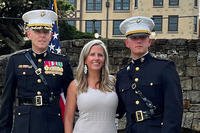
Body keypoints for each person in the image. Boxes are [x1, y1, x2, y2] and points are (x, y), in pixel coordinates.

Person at [0, 9, 74, 133]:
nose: (42, 35)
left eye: (46, 31)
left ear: (51, 35)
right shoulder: (15, 61)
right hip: (25, 124)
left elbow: (71, 98)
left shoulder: (62, 62)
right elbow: (7, 100)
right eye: (37, 31)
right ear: (29, 34)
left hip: (53, 123)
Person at [116, 16, 183, 133]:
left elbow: (174, 110)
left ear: (149, 41)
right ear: (127, 43)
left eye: (142, 37)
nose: (138, 41)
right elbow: (117, 110)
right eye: (133, 37)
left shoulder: (164, 68)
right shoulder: (122, 75)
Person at [64, 39, 118, 133]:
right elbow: (68, 119)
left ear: (104, 59)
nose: (96, 58)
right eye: (92, 54)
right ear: (85, 59)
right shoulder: (75, 85)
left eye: (100, 55)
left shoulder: (113, 82)